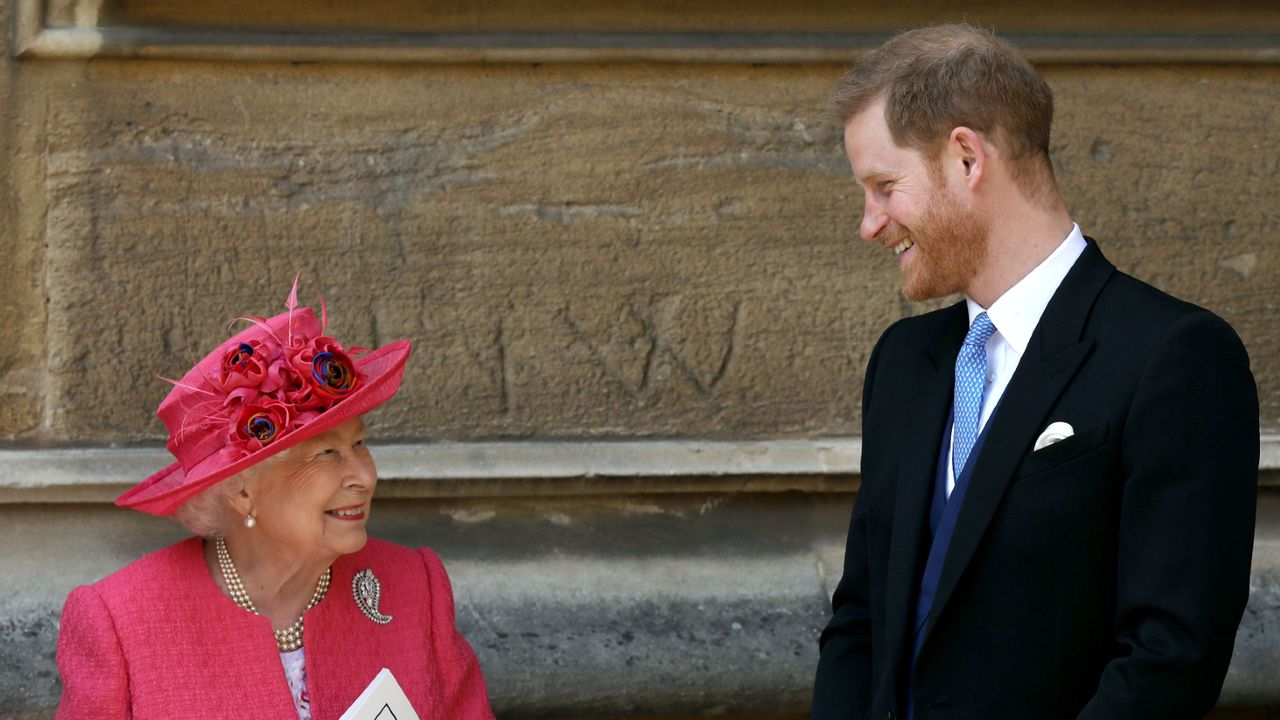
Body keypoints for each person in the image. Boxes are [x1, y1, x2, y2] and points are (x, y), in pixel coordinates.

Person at [811, 24, 1259, 720]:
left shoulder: (1174, 357)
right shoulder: (905, 363)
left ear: (966, 158)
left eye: (884, 186)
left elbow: (1169, 658)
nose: (870, 224)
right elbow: (861, 619)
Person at [56, 279, 494, 719]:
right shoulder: (120, 621)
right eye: (326, 453)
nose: (364, 475)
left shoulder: (415, 587)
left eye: (360, 444)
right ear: (242, 489)